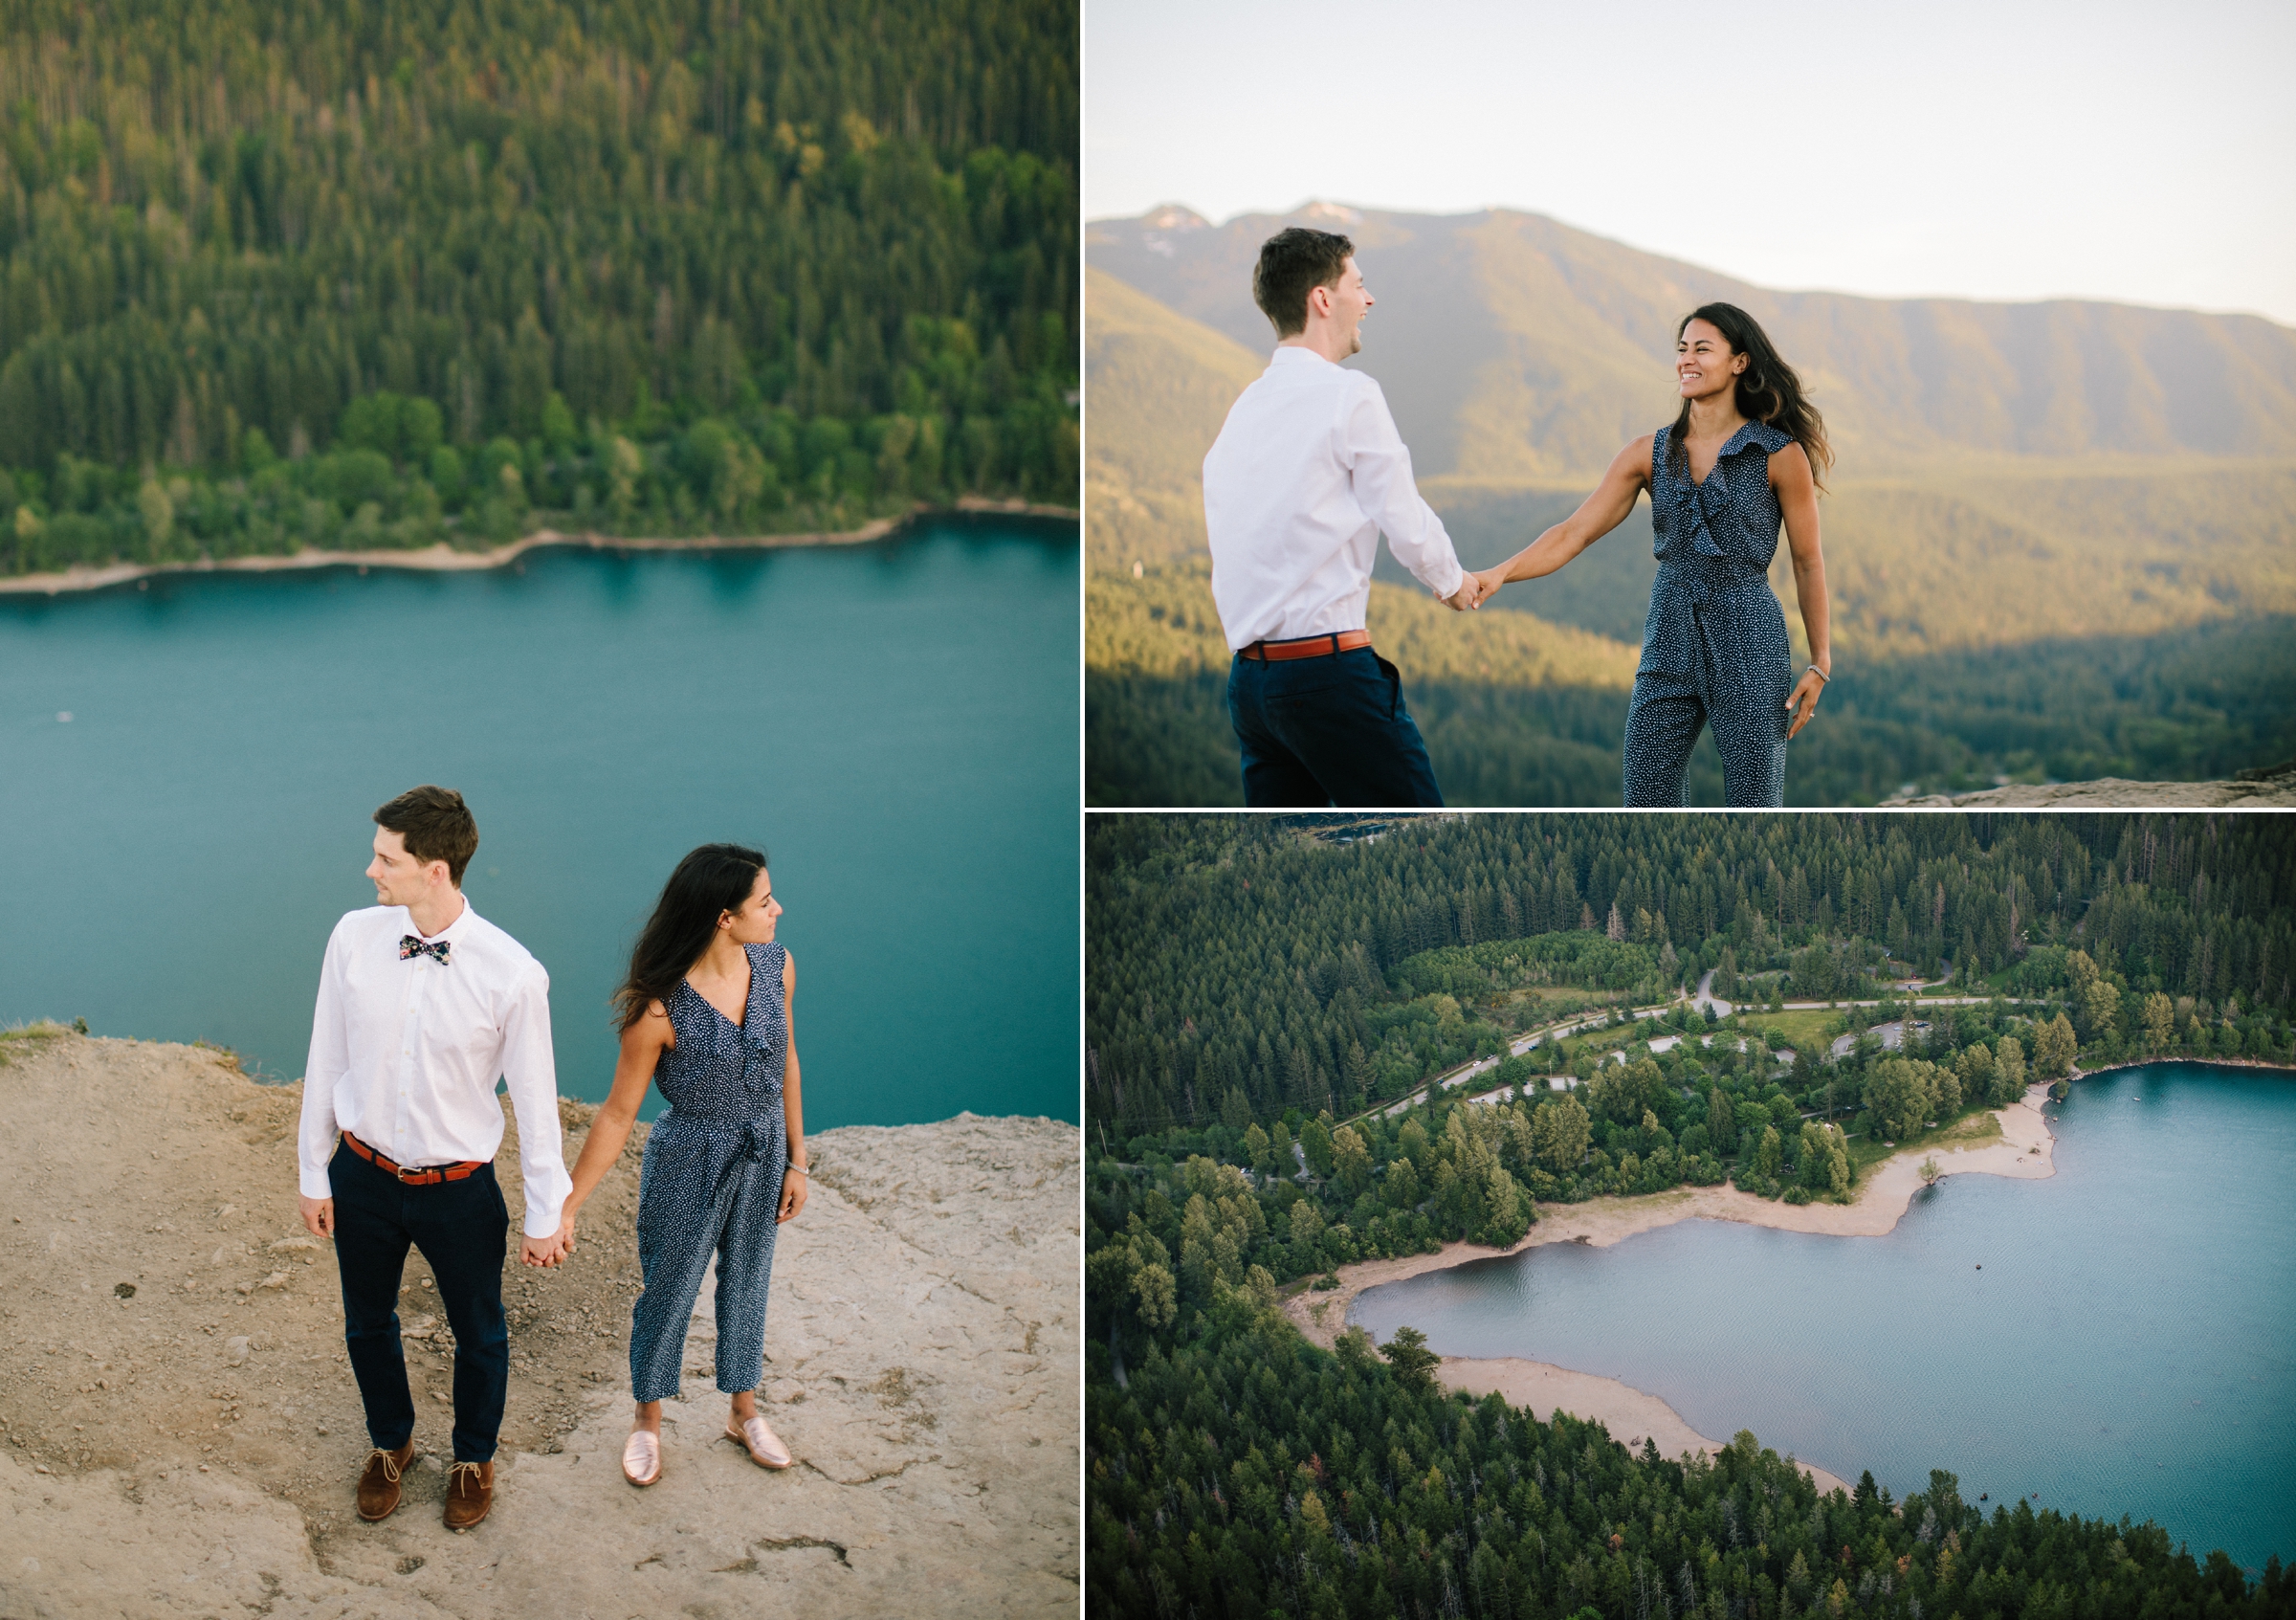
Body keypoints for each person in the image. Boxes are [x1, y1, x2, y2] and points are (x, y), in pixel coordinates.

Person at [296, 786, 572, 1533]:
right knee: (366, 1322)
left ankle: (472, 1458)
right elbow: (327, 1056)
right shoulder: (352, 937)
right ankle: (391, 1442)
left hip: (459, 1189)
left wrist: (547, 1212)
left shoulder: (512, 972)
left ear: (436, 869)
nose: (370, 870)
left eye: (386, 857)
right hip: (363, 1175)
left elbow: (537, 1102)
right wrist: (313, 1169)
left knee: (479, 1331)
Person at [1471, 302, 1833, 807]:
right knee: (1646, 798)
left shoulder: (1779, 454)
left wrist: (1820, 661)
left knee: (1754, 805)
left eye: (1702, 349)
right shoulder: (1649, 453)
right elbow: (1574, 532)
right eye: (1682, 349)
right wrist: (1500, 573)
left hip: (1749, 636)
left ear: (1739, 363)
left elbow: (1808, 563)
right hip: (1667, 634)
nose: (1687, 358)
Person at [1202, 226, 1490, 808]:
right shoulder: (1350, 395)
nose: (1370, 299)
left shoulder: (1242, 412)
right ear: (1323, 298)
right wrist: (1455, 583)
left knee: (1287, 863)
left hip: (1252, 690)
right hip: (1326, 677)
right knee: (1423, 845)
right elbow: (1404, 518)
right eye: (1359, 284)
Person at [549, 843, 808, 1487]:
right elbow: (616, 1113)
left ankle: (743, 1411)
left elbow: (789, 1064)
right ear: (724, 916)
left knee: (750, 1278)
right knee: (669, 1287)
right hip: (689, 1154)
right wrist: (568, 1203)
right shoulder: (659, 1007)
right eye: (764, 900)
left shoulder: (778, 968)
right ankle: (647, 1418)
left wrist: (798, 1160)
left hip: (763, 1147)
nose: (778, 908)